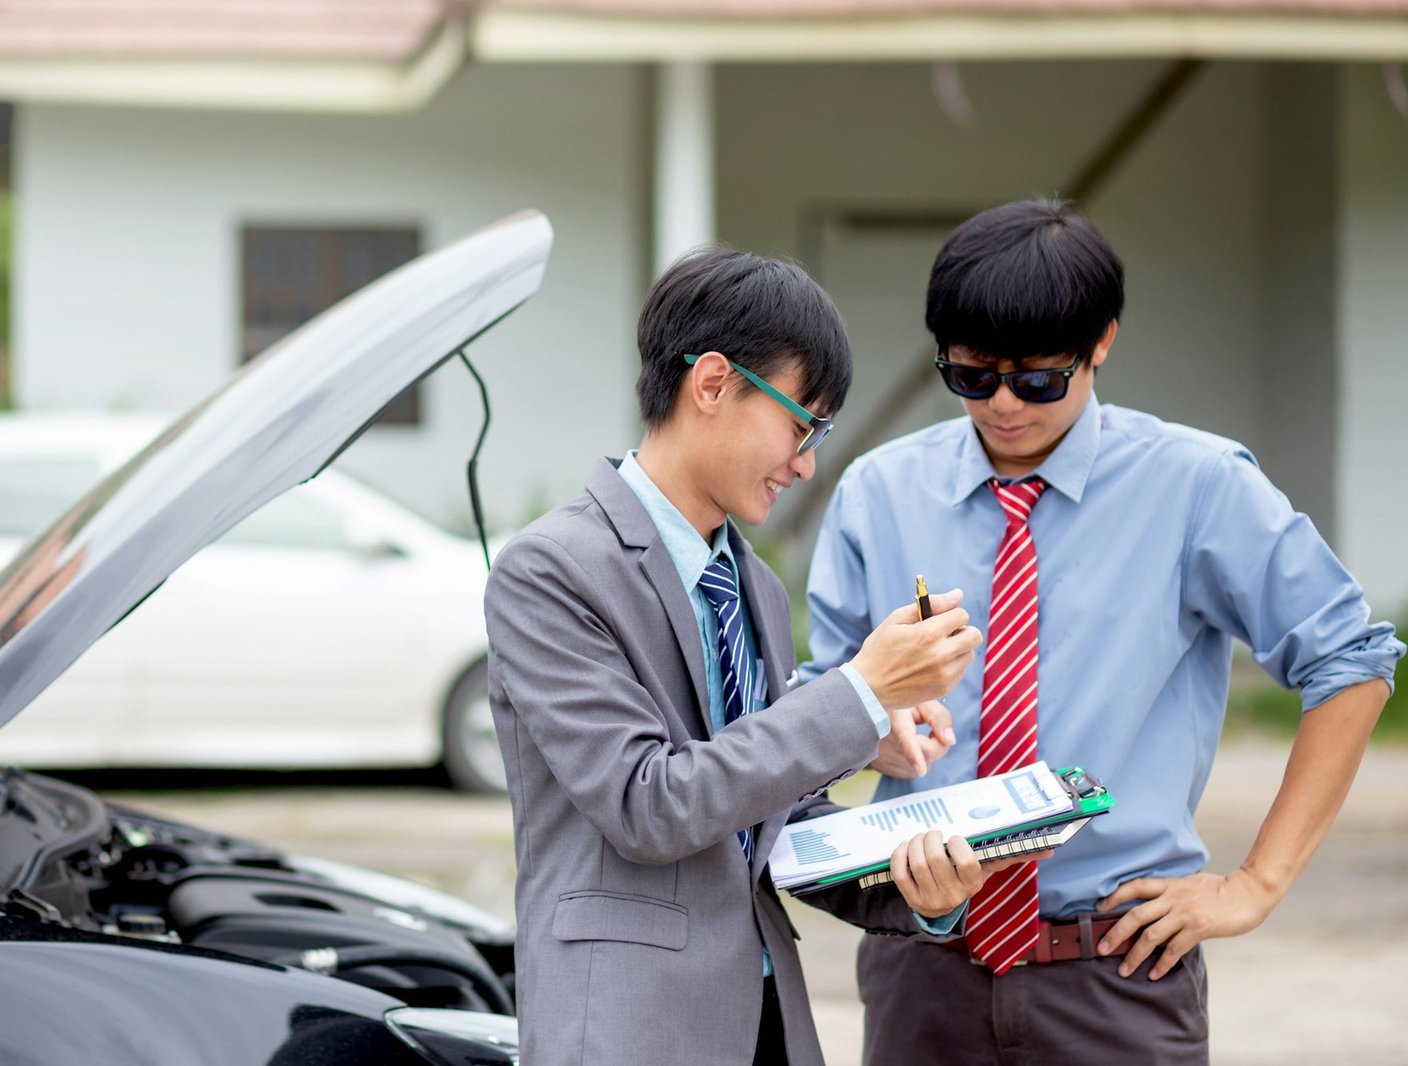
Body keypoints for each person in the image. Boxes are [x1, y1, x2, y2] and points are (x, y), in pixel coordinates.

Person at [800, 198, 1404, 1064]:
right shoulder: (879, 493)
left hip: (1116, 971)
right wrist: (871, 729)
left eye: (1038, 378)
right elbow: (830, 702)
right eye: (972, 376)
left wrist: (1256, 884)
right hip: (921, 965)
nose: (1004, 404)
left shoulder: (1197, 486)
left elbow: (1351, 661)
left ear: (1103, 343)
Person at [484, 247, 1033, 1066]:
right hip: (629, 1035)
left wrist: (923, 884)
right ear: (711, 383)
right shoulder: (551, 570)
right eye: (799, 422)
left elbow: (770, 830)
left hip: (770, 1024)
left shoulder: (758, 590)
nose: (807, 461)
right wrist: (859, 692)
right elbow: (650, 804)